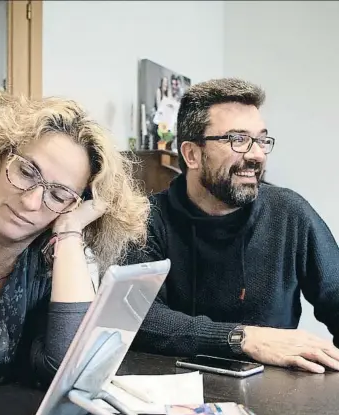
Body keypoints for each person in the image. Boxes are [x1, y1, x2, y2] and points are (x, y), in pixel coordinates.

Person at [0, 95, 149, 401]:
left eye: (59, 195)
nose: (31, 201)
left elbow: (69, 370)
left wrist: (70, 233)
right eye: (26, 172)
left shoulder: (52, 263)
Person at [126, 77, 339, 373]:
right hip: (169, 398)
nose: (257, 154)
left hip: (273, 402)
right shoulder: (147, 219)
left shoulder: (290, 214)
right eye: (238, 140)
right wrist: (241, 338)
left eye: (262, 140)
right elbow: (136, 317)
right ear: (192, 154)